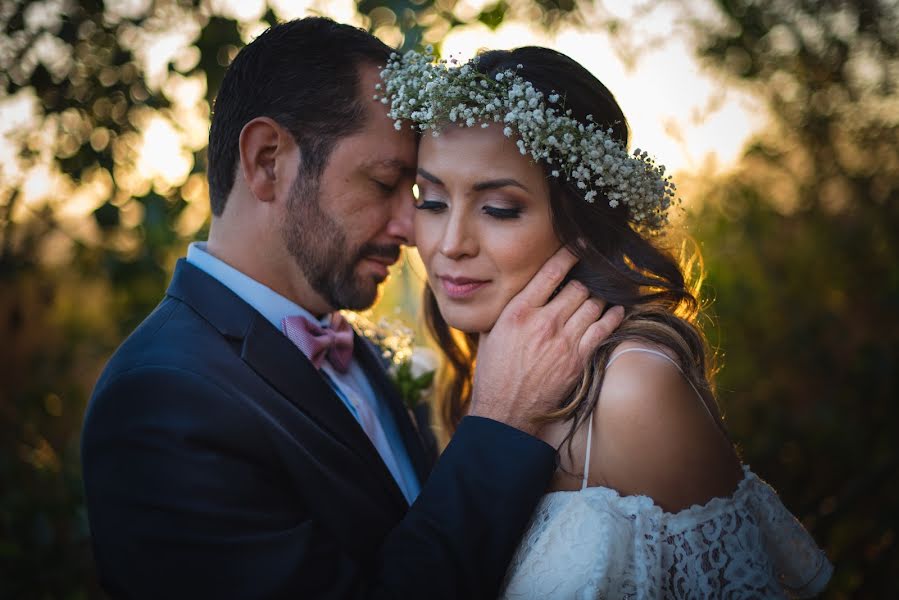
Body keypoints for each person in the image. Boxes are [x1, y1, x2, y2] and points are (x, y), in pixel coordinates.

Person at [80, 19, 625, 599]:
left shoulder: (349, 346)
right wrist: (498, 424)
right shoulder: (162, 402)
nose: (411, 229)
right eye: (386, 183)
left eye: (415, 195)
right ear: (268, 161)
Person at [378, 46, 833, 597]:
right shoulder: (480, 372)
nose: (450, 245)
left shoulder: (635, 387)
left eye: (498, 208)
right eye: (431, 201)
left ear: (582, 223)